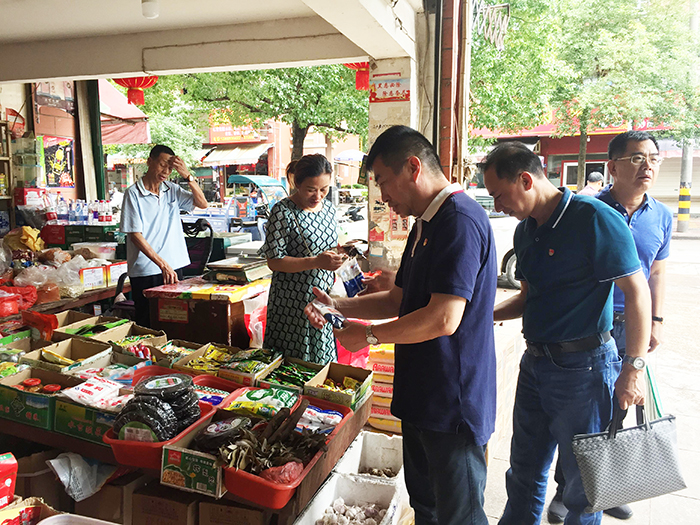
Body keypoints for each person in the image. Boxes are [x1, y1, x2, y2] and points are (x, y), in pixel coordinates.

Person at [305, 125, 497, 525]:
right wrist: (338, 304)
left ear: (413, 167)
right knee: (426, 507)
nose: (383, 196)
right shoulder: (425, 223)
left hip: (452, 403)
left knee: (459, 515)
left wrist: (368, 335)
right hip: (422, 397)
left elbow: (444, 318)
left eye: (383, 181)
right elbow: (398, 299)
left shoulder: (459, 220)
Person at [485, 142, 651, 525]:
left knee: (583, 489)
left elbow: (638, 293)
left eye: (499, 195)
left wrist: (633, 368)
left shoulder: (593, 219)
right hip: (534, 365)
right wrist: (480, 317)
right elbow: (527, 298)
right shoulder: (525, 232)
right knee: (523, 473)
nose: (497, 206)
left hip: (584, 370)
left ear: (526, 180)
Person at [547, 131, 672, 522]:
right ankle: (566, 490)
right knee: (583, 416)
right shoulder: (588, 211)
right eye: (636, 158)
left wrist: (656, 321)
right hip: (591, 326)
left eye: (653, 158)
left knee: (621, 404)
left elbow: (657, 273)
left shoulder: (661, 216)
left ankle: (606, 485)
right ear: (613, 167)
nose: (647, 165)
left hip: (632, 327)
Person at [259, 154, 344, 364]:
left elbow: (328, 246)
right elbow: (274, 261)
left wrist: (340, 253)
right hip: (291, 302)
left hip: (324, 297)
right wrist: (316, 262)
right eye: (311, 189)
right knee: (294, 363)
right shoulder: (283, 212)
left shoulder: (329, 210)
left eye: (324, 189)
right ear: (297, 184)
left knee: (323, 358)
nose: (318, 196)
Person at [121, 145, 207, 327]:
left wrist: (188, 176)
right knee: (148, 323)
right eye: (162, 165)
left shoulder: (172, 189)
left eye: (170, 168)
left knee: (176, 322)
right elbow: (135, 235)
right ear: (149, 162)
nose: (166, 172)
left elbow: (202, 203)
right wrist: (162, 264)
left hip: (174, 268)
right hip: (147, 270)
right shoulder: (133, 194)